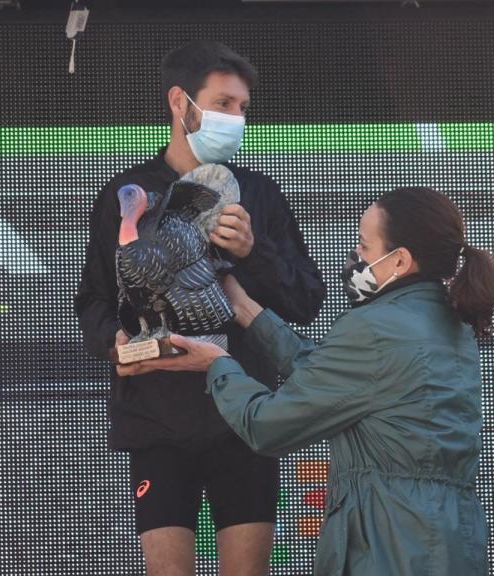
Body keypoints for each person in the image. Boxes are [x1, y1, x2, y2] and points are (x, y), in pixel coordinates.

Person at [134, 187, 494, 575]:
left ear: (400, 261)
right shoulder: (448, 325)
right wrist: (244, 308)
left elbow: (266, 425)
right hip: (446, 542)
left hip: (389, 546)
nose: (355, 257)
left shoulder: (375, 330)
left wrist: (218, 365)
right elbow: (332, 377)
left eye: (363, 246)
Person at [74, 40, 325, 576]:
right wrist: (113, 342)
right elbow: (94, 298)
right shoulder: (126, 192)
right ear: (179, 102)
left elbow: (307, 299)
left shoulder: (259, 193)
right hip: (158, 418)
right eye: (224, 103)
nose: (236, 117)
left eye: (242, 108)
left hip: (245, 417)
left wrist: (253, 252)